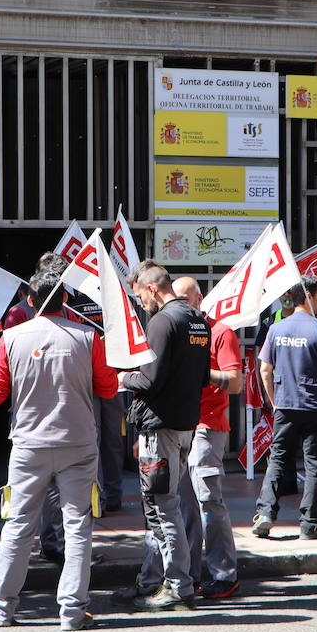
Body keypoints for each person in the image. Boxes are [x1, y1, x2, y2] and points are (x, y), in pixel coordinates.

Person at [0, 264, 117, 630]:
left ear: (29, 299)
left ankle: (2, 607)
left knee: (18, 525)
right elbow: (108, 389)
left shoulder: (11, 338)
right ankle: (73, 611)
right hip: (78, 443)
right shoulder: (89, 338)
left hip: (28, 446)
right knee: (77, 527)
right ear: (66, 299)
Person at [134, 277, 243, 599]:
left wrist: (197, 370)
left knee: (208, 500)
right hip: (178, 425)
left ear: (199, 299)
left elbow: (236, 383)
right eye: (177, 298)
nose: (182, 304)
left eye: (187, 299)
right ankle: (184, 575)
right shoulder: (171, 327)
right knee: (175, 504)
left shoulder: (219, 332)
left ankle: (224, 574)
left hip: (208, 427)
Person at [116, 261, 210, 612]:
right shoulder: (197, 319)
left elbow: (149, 380)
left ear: (153, 289)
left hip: (161, 426)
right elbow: (200, 378)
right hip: (186, 424)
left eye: (140, 295)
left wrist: (123, 378)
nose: (141, 302)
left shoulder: (162, 321)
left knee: (161, 506)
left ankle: (178, 585)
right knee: (166, 502)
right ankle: (160, 580)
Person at [251, 275, 317, 541]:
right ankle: (310, 524)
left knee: (278, 458)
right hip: (315, 406)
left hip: (285, 404)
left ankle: (266, 513)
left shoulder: (276, 329)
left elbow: (265, 368)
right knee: (314, 464)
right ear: (310, 297)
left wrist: (273, 400)